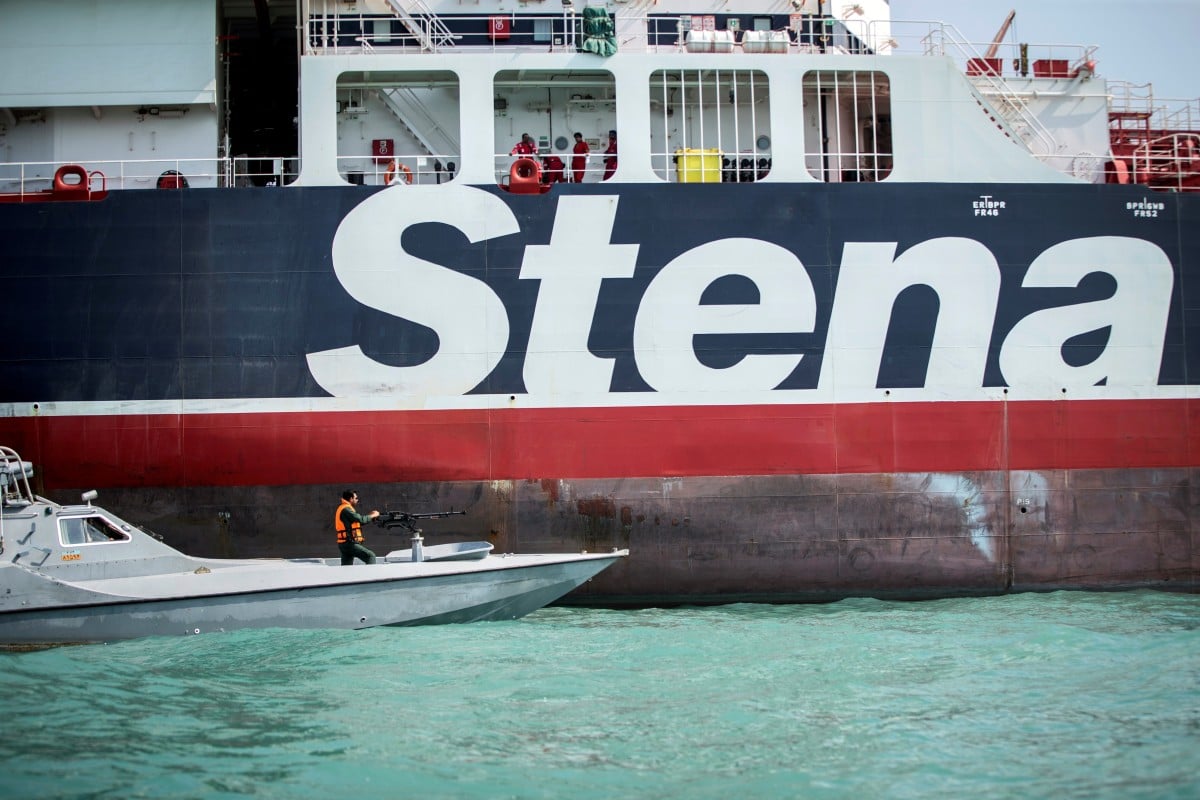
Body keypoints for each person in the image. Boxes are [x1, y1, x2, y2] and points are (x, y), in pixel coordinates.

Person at [335, 489, 380, 565]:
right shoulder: (346, 509)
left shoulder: (342, 508)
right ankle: (372, 576)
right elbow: (361, 520)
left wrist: (369, 516)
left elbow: (357, 522)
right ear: (351, 499)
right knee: (370, 556)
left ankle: (345, 577)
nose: (357, 500)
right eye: (356, 498)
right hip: (349, 543)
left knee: (346, 567)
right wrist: (373, 515)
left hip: (344, 543)